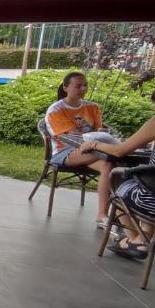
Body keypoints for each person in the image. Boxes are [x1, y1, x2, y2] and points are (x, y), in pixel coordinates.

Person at [80, 84, 155, 259]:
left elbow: (119, 151)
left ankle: (136, 241)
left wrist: (94, 144)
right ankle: (143, 237)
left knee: (118, 178)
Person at [44, 72, 113, 227]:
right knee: (112, 157)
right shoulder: (56, 110)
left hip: (93, 150)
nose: (83, 88)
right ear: (66, 87)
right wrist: (97, 138)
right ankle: (105, 215)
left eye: (85, 85)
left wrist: (99, 136)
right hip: (66, 152)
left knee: (110, 166)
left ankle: (104, 215)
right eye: (78, 86)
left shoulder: (92, 107)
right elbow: (69, 137)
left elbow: (98, 130)